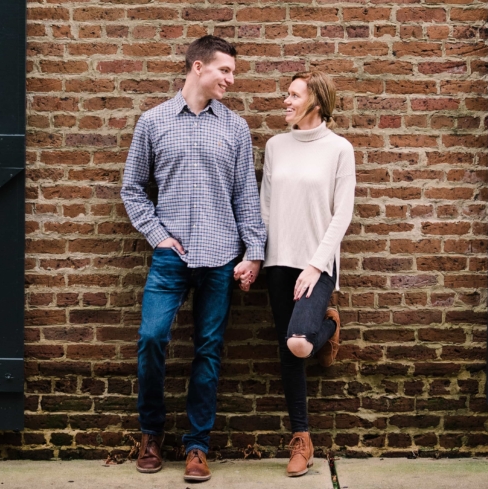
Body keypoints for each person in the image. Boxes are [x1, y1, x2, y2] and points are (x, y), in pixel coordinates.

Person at [121, 35, 266, 483]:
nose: (230, 80)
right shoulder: (153, 121)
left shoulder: (235, 128)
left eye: (233, 73)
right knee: (151, 338)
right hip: (172, 258)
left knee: (208, 351)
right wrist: (158, 235)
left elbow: (246, 197)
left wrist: (254, 254)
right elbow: (132, 189)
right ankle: (151, 434)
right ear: (198, 67)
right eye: (225, 71)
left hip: (222, 257)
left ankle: (197, 447)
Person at [236, 70, 355, 477]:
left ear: (316, 103)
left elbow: (343, 214)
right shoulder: (276, 146)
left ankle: (328, 328)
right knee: (287, 347)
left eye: (292, 95)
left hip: (316, 263)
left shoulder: (339, 149)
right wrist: (256, 258)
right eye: (286, 95)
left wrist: (316, 264)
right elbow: (265, 207)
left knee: (301, 342)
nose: (285, 101)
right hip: (279, 260)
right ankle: (301, 438)